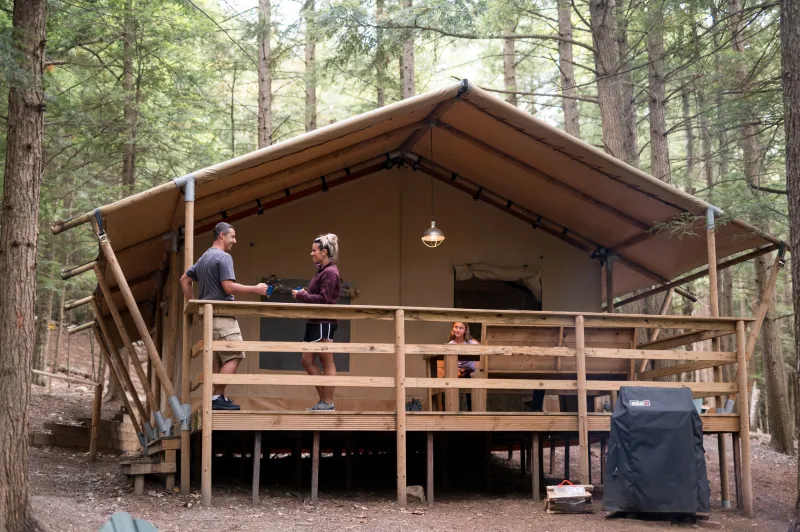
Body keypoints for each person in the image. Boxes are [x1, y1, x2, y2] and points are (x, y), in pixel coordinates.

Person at [180, 222, 268, 410]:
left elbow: (184, 280)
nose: (234, 241)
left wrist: (194, 303)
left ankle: (219, 397)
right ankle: (217, 396)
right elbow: (228, 286)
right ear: (221, 235)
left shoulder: (204, 257)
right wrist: (255, 289)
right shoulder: (224, 257)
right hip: (222, 315)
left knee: (218, 357)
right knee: (235, 354)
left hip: (208, 317)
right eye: (232, 237)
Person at [292, 233, 341, 411]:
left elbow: (324, 300)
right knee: (306, 360)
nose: (311, 253)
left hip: (324, 321)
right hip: (314, 321)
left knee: (326, 360)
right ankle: (325, 401)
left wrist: (302, 295)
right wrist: (304, 293)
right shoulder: (323, 271)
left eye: (314, 250)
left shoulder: (330, 272)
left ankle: (327, 403)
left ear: (324, 252)